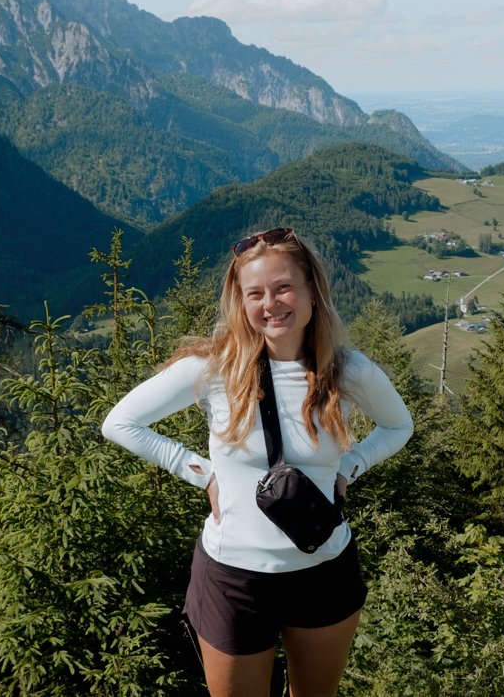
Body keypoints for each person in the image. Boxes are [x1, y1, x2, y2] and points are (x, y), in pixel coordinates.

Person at [102, 227, 413, 697]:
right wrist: (199, 472)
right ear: (241, 303)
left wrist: (351, 467)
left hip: (324, 570)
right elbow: (120, 422)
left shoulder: (349, 371)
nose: (271, 304)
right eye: (256, 294)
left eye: (284, 287)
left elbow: (399, 426)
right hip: (234, 578)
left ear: (312, 292)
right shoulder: (212, 369)